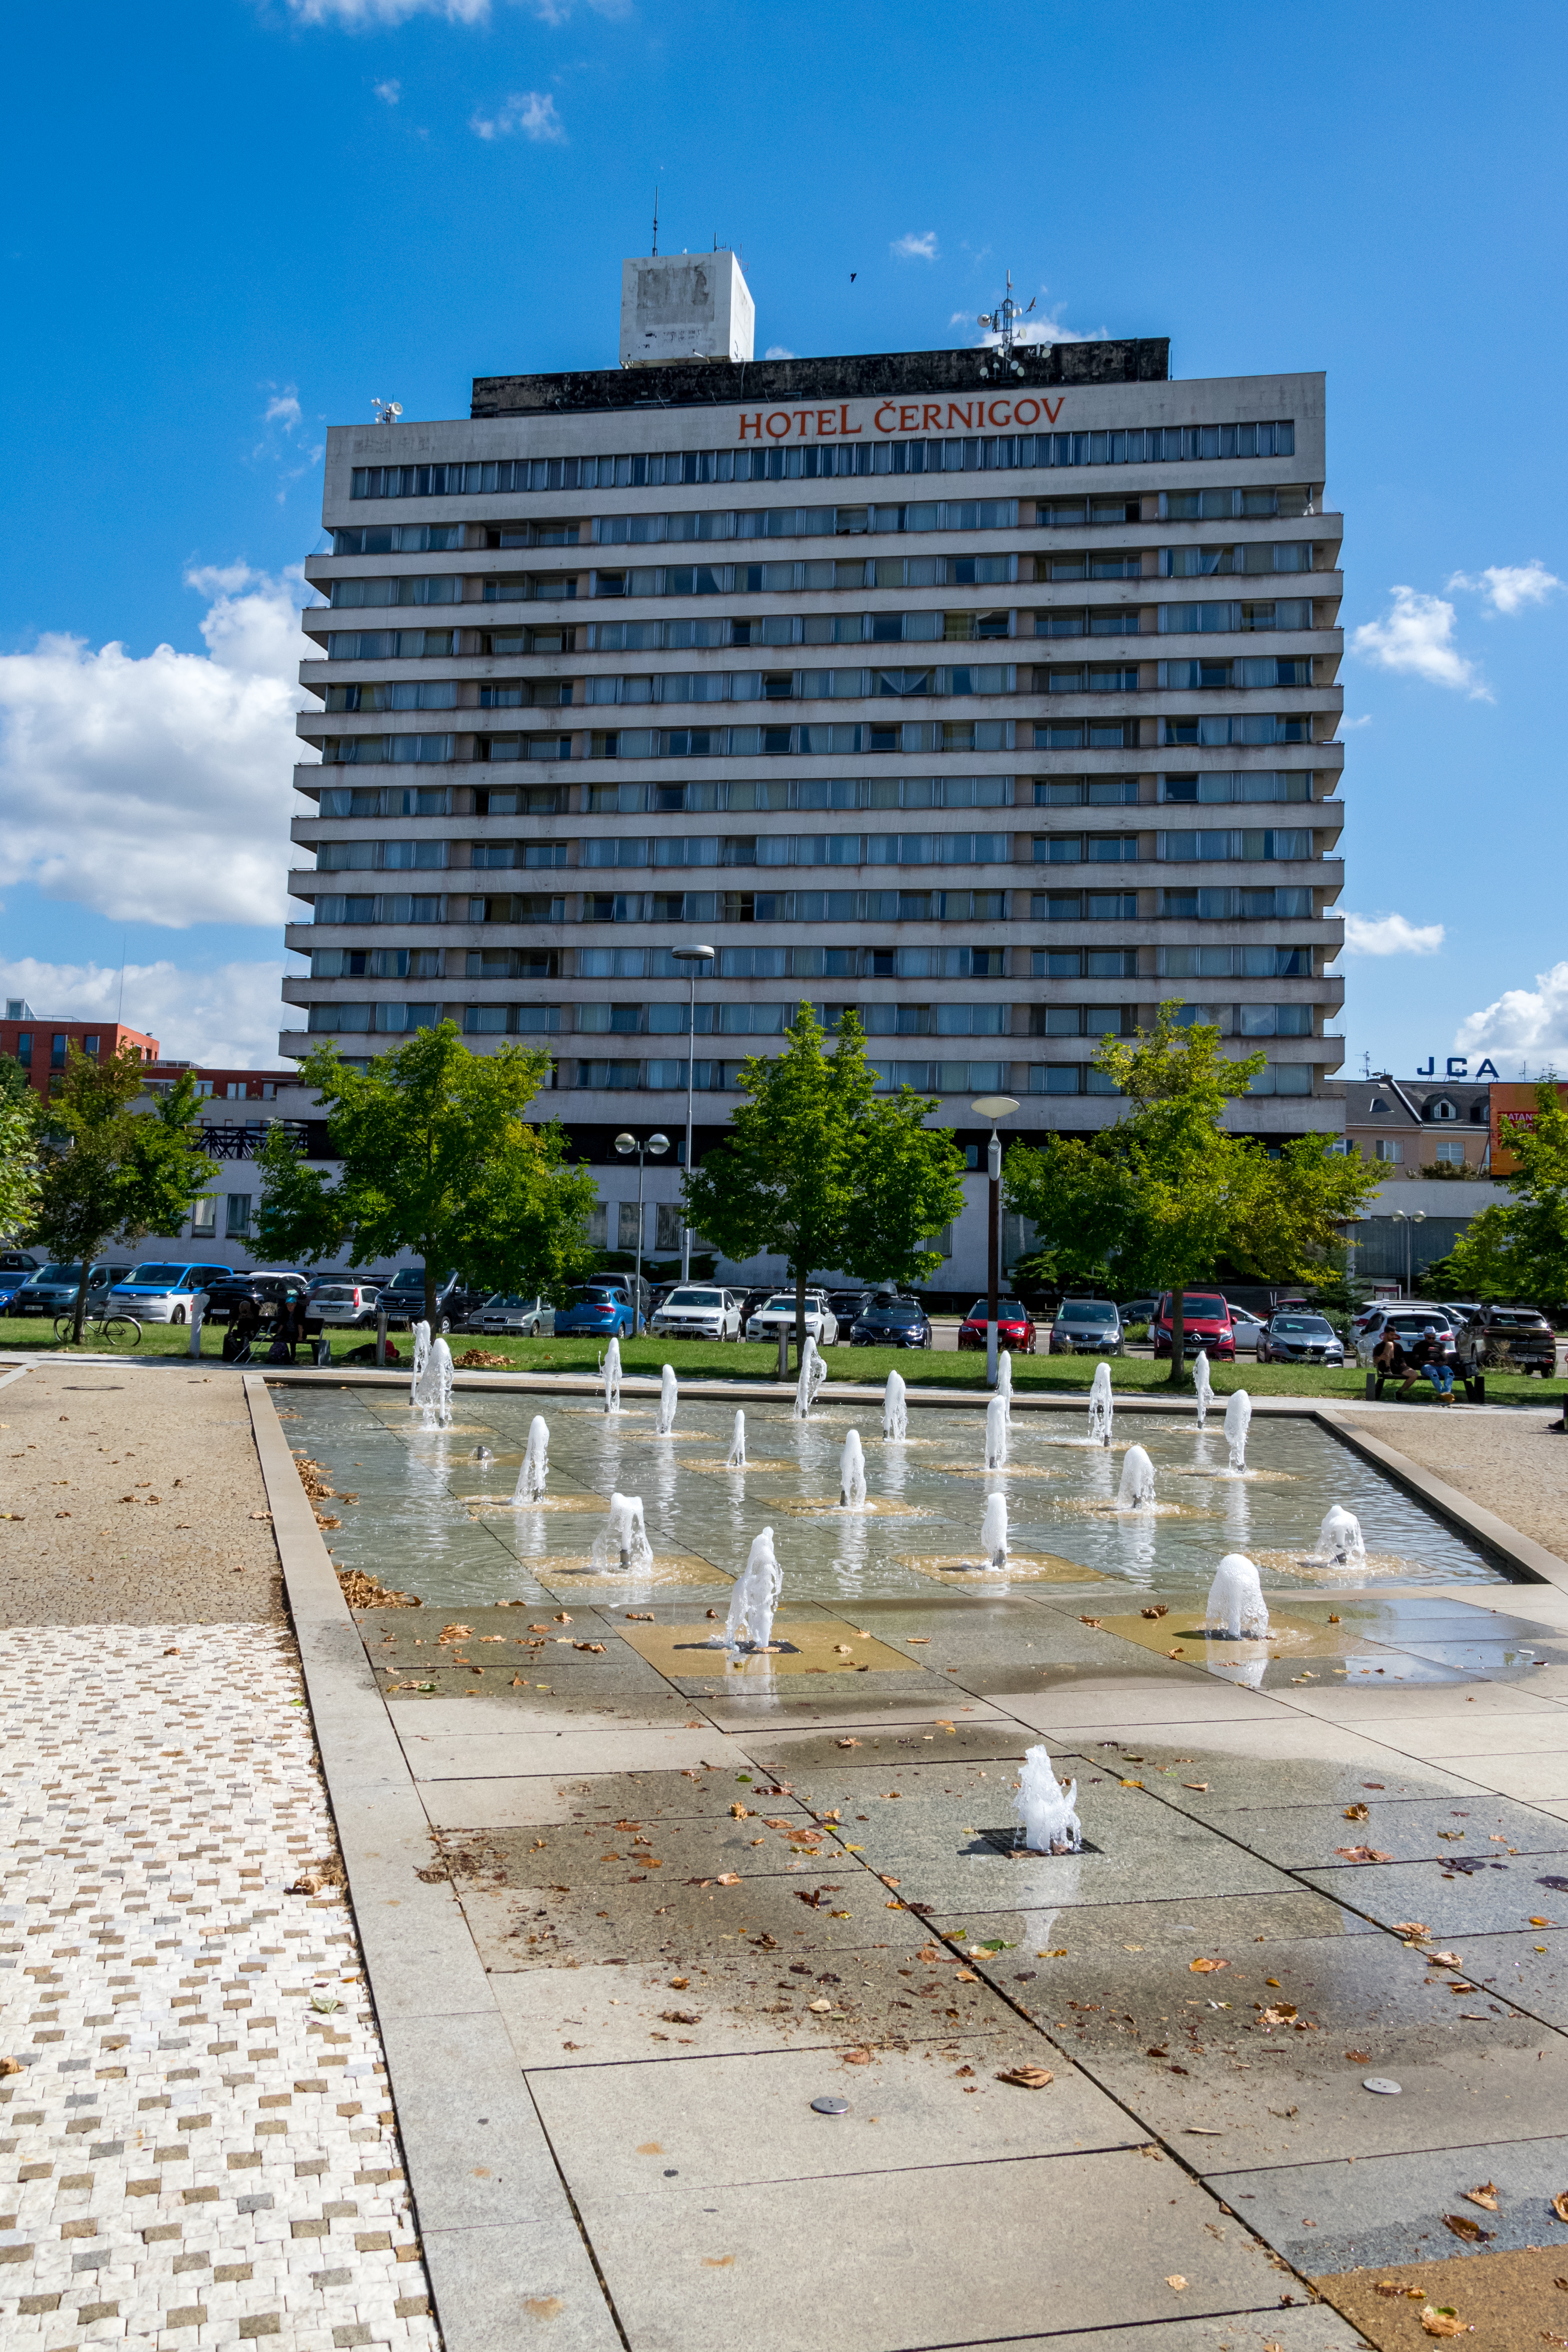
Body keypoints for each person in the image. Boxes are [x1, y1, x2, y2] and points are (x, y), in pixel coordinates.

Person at [1409, 1323, 1456, 1403]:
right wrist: (1427, 1362)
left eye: (1433, 1337)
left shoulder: (1440, 1345)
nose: (1431, 1339)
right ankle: (1442, 1392)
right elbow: (1416, 1361)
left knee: (1449, 1373)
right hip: (1426, 1367)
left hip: (1439, 1366)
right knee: (1433, 1373)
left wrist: (1444, 1362)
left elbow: (1445, 1359)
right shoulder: (1419, 1346)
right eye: (1429, 1338)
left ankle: (1448, 1392)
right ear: (1425, 1336)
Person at [1371, 1330, 1408, 1400]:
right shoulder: (1379, 1346)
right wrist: (1380, 1358)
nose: (1394, 1337)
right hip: (1385, 1368)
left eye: (1394, 1335)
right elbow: (1375, 1362)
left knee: (1414, 1375)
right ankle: (1387, 1368)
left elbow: (1402, 1359)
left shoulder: (1398, 1346)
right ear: (1386, 1334)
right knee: (1389, 1344)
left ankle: (1399, 1393)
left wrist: (1404, 1365)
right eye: (1391, 1335)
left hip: (1398, 1367)